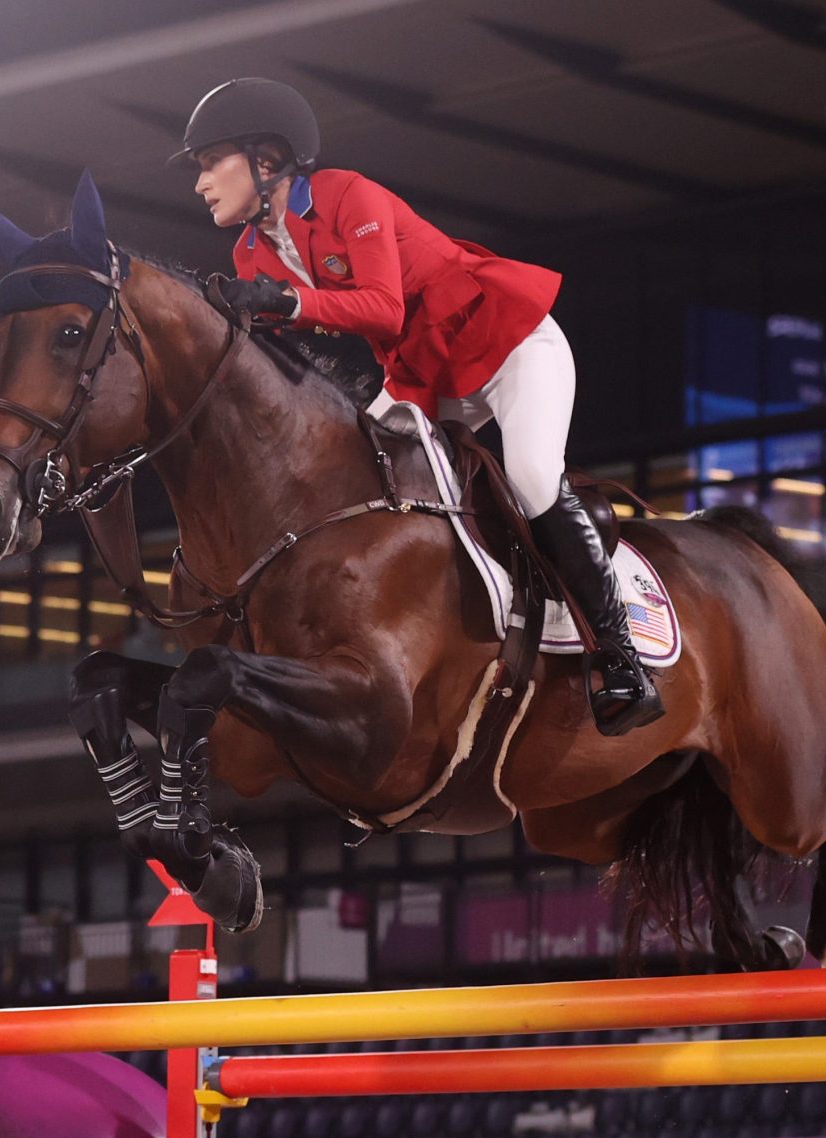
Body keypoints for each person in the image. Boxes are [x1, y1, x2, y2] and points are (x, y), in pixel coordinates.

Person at [172, 77, 664, 737]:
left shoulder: (350, 194)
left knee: (533, 477)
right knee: (371, 480)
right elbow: (296, 346)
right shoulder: (251, 250)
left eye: (210, 164)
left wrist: (284, 304)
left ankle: (623, 659)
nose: (200, 184)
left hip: (508, 340)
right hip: (424, 375)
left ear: (267, 161)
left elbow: (382, 307)